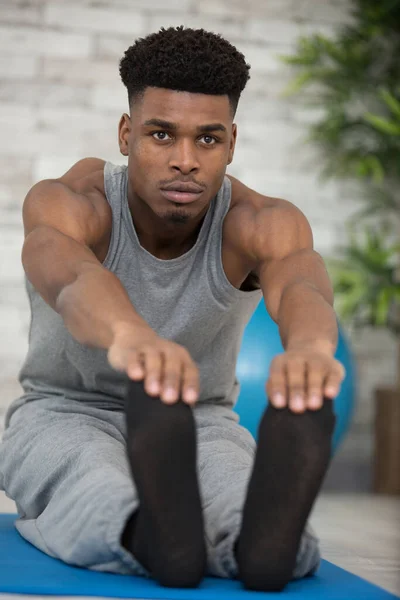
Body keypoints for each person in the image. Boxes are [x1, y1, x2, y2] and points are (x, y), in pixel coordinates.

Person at [0, 26, 345, 591]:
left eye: (207, 140)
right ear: (126, 133)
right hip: (65, 412)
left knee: (240, 494)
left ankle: (262, 550)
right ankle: (155, 535)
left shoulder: (261, 221)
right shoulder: (72, 201)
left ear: (231, 143)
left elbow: (300, 286)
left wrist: (310, 351)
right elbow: (68, 276)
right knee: (92, 483)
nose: (185, 160)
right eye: (162, 134)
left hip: (200, 423)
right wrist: (132, 337)